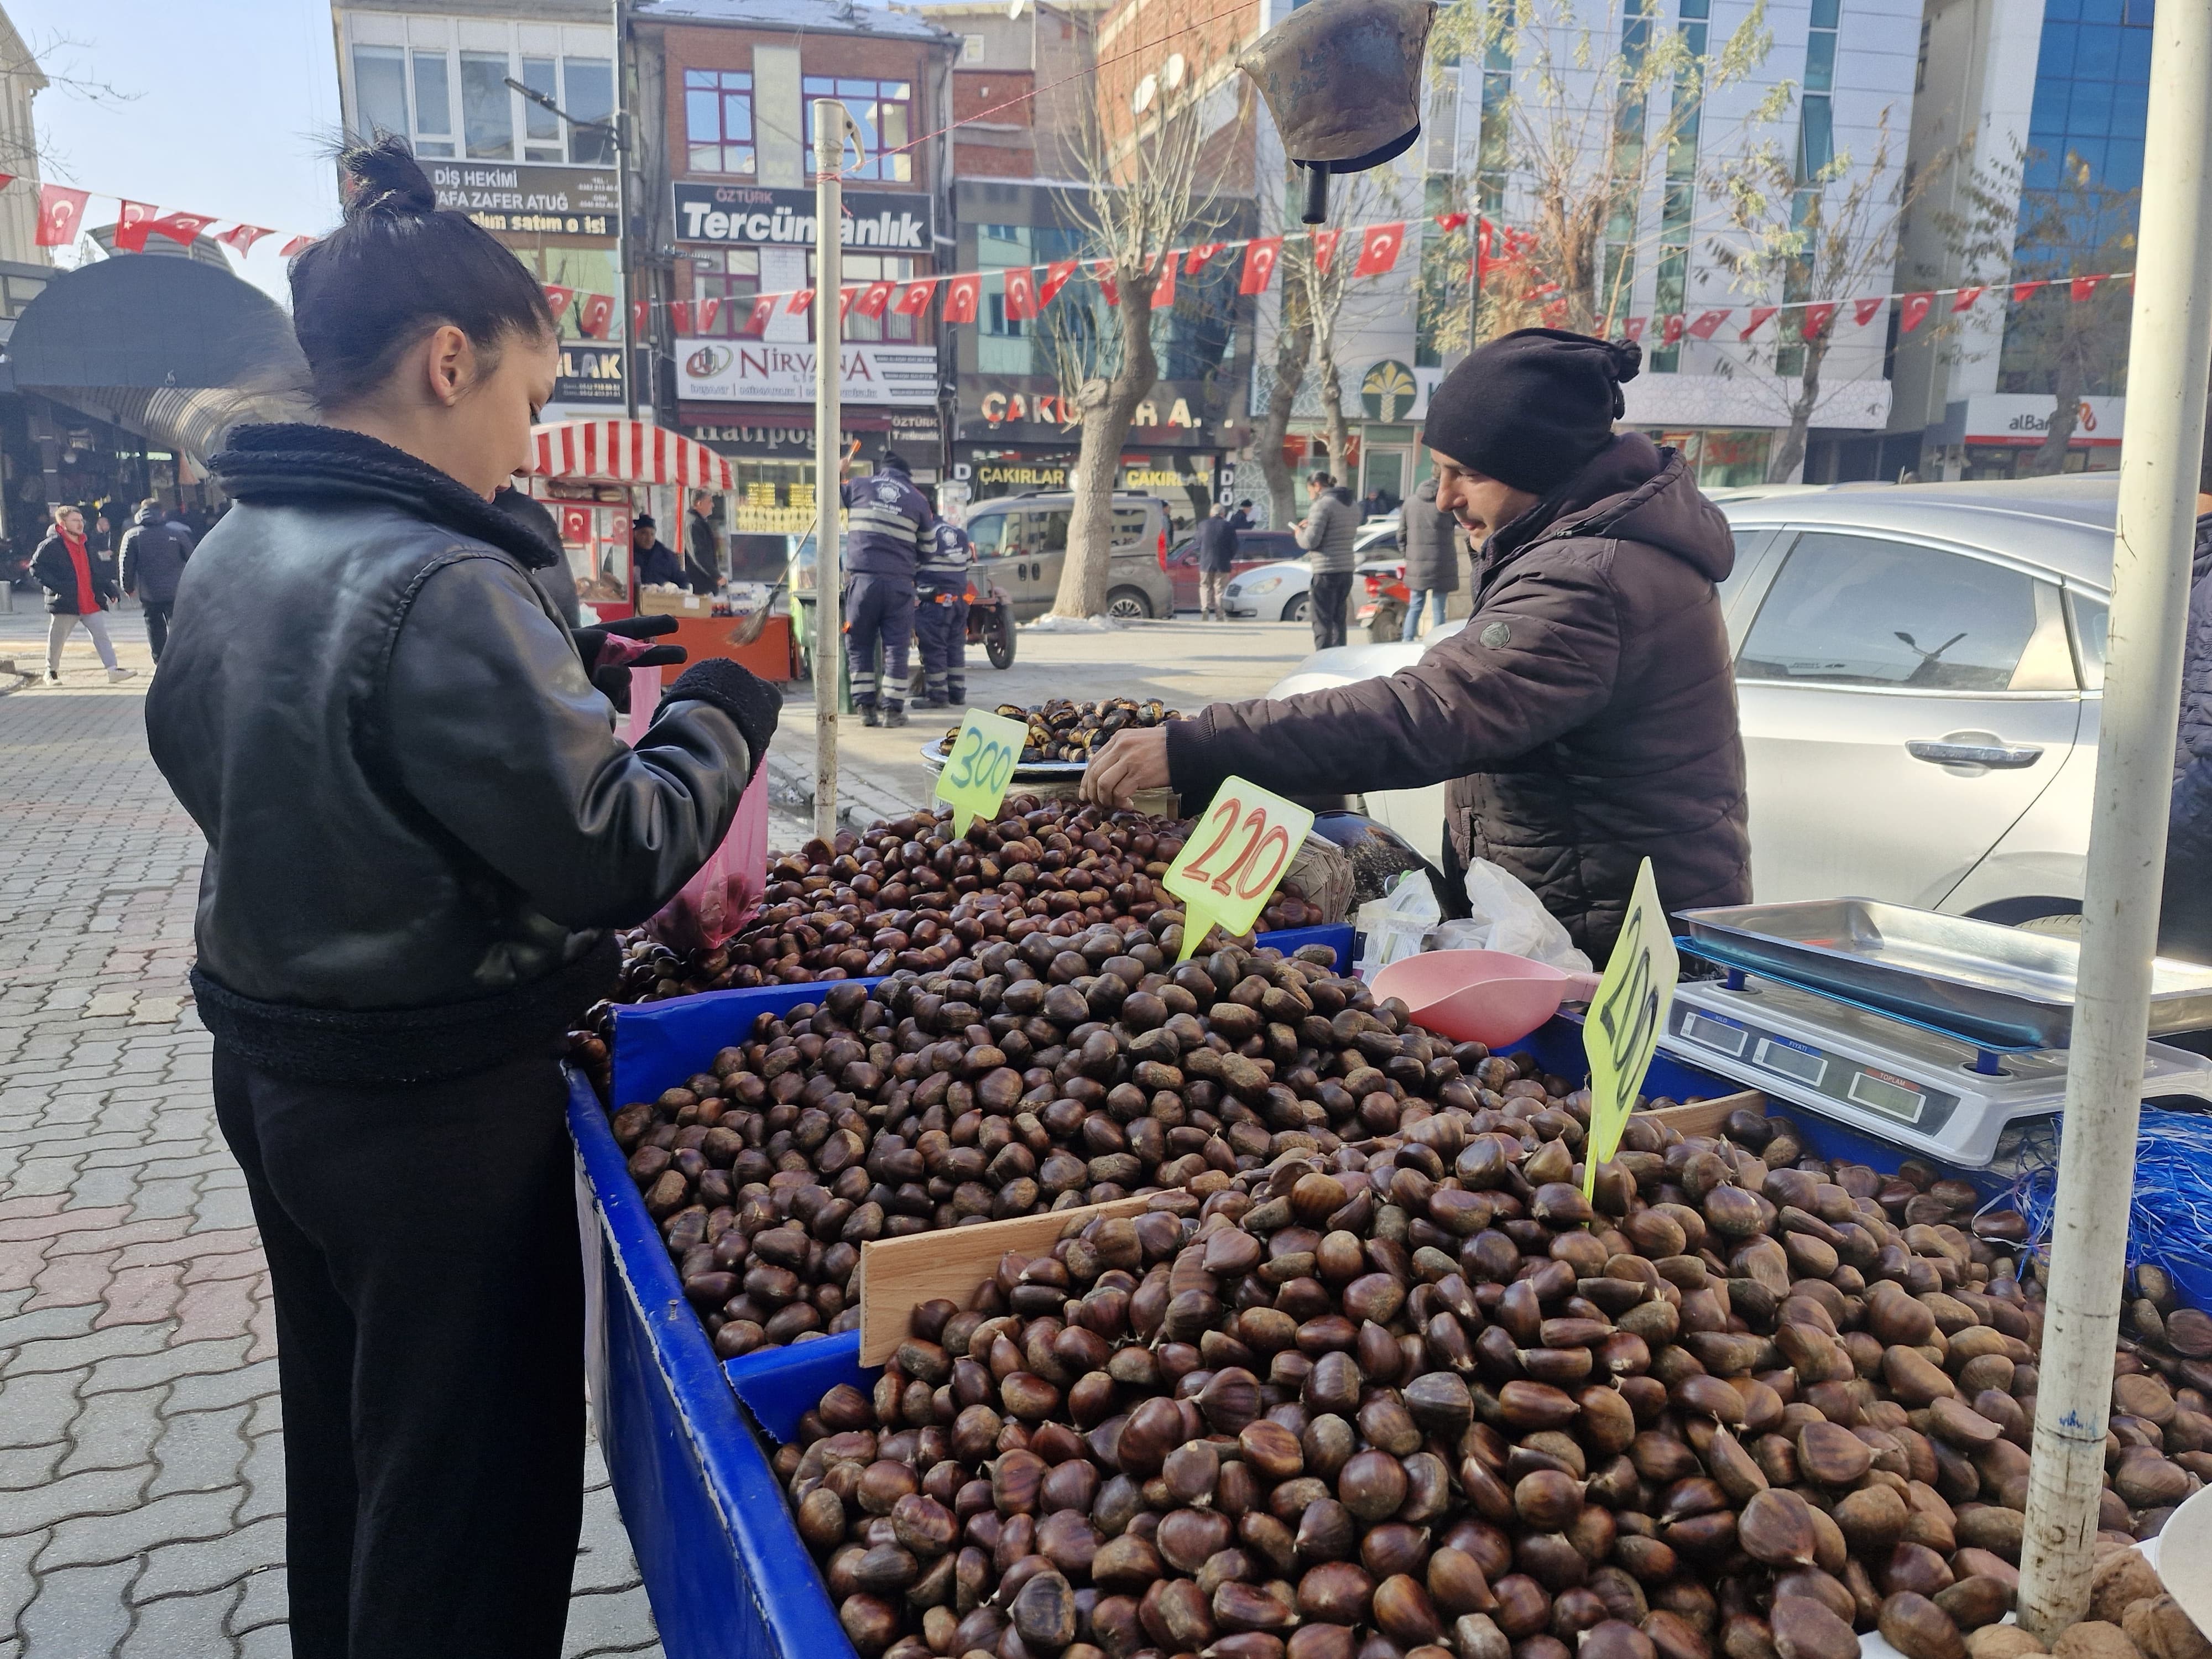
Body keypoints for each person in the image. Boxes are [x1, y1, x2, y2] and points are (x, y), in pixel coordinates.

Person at [142, 138, 779, 1659]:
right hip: (429, 1109)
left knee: (357, 1464)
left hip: (281, 1070)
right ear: (448, 361)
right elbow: (616, 849)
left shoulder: (244, 539)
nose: (527, 442)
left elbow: (212, 749)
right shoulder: (440, 577)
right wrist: (720, 704)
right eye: (529, 399)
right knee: (469, 1505)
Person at [1083, 327, 1749, 961]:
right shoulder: (1578, 548)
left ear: (1540, 470)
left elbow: (1428, 712)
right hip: (1573, 917)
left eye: (1464, 473)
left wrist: (1204, 746)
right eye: (1439, 470)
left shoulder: (1589, 579)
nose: (1442, 497)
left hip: (1608, 940)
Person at [839, 448, 933, 727]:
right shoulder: (918, 500)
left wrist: (838, 471)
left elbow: (822, 499)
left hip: (862, 582)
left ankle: (866, 709)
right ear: (907, 475)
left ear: (883, 470)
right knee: (896, 647)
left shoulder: (859, 486)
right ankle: (893, 711)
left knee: (859, 643)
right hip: (899, 585)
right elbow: (929, 549)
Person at [33, 504, 133, 685]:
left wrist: (109, 589)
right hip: (66, 601)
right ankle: (51, 671)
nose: (80, 524)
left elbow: (93, 571)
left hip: (90, 600)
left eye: (81, 520)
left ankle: (113, 670)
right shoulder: (51, 545)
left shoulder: (86, 543)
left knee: (101, 636)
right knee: (57, 639)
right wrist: (57, 586)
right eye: (75, 521)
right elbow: (36, 568)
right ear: (63, 523)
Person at [119, 498, 196, 662]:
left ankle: (160, 660)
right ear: (163, 513)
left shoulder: (132, 536)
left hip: (149, 591)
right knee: (177, 623)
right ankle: (182, 657)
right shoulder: (176, 533)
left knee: (154, 625)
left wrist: (128, 587)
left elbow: (126, 564)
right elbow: (192, 559)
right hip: (176, 589)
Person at [493, 484, 580, 627]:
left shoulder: (519, 513)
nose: (528, 468)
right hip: (548, 634)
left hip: (529, 634)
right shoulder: (529, 511)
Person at [1297, 470, 1360, 650]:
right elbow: (1336, 532)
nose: (1310, 494)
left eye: (1309, 489)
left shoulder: (1322, 505)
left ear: (1317, 486)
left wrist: (1299, 533)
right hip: (1346, 568)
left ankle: (1322, 659)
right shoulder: (1352, 505)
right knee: (1339, 619)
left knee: (1322, 620)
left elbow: (1311, 541)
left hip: (1326, 570)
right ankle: (1339, 656)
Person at [914, 517, 972, 708]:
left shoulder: (925, 535)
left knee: (934, 647)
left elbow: (912, 565)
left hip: (936, 600)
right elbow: (968, 563)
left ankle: (938, 695)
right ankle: (957, 693)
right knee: (955, 646)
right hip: (961, 599)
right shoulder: (959, 533)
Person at [1399, 474, 1460, 641]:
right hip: (1442, 562)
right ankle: (1437, 641)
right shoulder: (1445, 504)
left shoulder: (1410, 503)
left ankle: (1407, 639)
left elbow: (1401, 534)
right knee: (1438, 609)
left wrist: (1408, 555)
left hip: (1417, 564)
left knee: (1415, 605)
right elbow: (1461, 522)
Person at [1194, 500, 1238, 620]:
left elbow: (1197, 543)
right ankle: (1220, 615)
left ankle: (1205, 608)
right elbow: (1234, 546)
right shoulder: (1229, 526)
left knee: (1205, 586)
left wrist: (1201, 556)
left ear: (1211, 514)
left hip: (1205, 563)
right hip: (1223, 563)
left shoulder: (1203, 525)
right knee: (1220, 590)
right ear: (1223, 514)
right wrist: (1229, 557)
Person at [630, 513, 683, 591]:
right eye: (644, 533)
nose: (649, 538)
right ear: (634, 533)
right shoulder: (625, 553)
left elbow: (682, 582)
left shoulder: (667, 556)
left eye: (652, 534)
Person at [685, 490, 722, 594]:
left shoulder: (697, 522)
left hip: (702, 583)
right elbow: (699, 555)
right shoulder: (694, 524)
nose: (713, 505)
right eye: (710, 501)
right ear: (699, 503)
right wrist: (716, 576)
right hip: (699, 584)